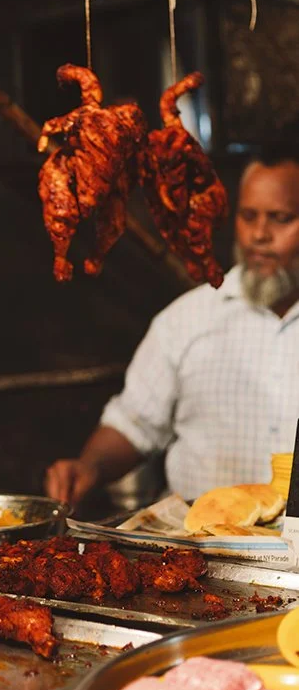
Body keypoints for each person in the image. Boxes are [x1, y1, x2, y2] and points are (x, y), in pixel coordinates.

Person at [45, 142, 299, 509]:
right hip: (197, 552)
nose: (259, 235)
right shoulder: (185, 321)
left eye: (280, 218)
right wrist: (90, 467)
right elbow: (133, 424)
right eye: (248, 216)